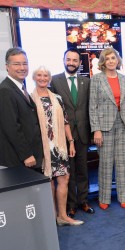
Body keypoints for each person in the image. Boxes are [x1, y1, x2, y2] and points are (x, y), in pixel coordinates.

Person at [31, 66, 83, 226]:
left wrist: (71, 142)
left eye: (45, 75)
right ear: (34, 77)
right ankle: (52, 218)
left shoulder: (57, 98)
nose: (42, 78)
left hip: (59, 146)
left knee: (64, 178)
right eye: (39, 75)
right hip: (42, 147)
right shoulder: (29, 98)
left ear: (49, 78)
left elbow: (66, 121)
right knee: (48, 182)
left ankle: (63, 216)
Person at [50, 48, 94, 218]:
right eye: (68, 59)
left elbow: (89, 107)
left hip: (83, 133)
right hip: (64, 135)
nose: (71, 63)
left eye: (75, 60)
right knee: (69, 172)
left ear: (80, 63)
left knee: (83, 170)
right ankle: (71, 204)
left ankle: (83, 201)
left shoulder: (86, 82)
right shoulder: (54, 81)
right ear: (63, 60)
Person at [89, 48, 125, 210]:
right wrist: (96, 130)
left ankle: (124, 196)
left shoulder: (124, 79)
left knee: (122, 163)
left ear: (118, 60)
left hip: (122, 125)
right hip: (104, 127)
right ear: (103, 62)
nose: (111, 61)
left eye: (114, 58)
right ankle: (104, 198)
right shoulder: (96, 79)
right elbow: (92, 107)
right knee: (106, 163)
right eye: (107, 59)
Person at [0, 47, 43, 169]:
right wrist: (26, 155)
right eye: (17, 64)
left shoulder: (20, 88)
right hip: (20, 159)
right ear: (7, 67)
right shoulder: (5, 90)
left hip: (30, 156)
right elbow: (11, 127)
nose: (22, 68)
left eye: (25, 63)